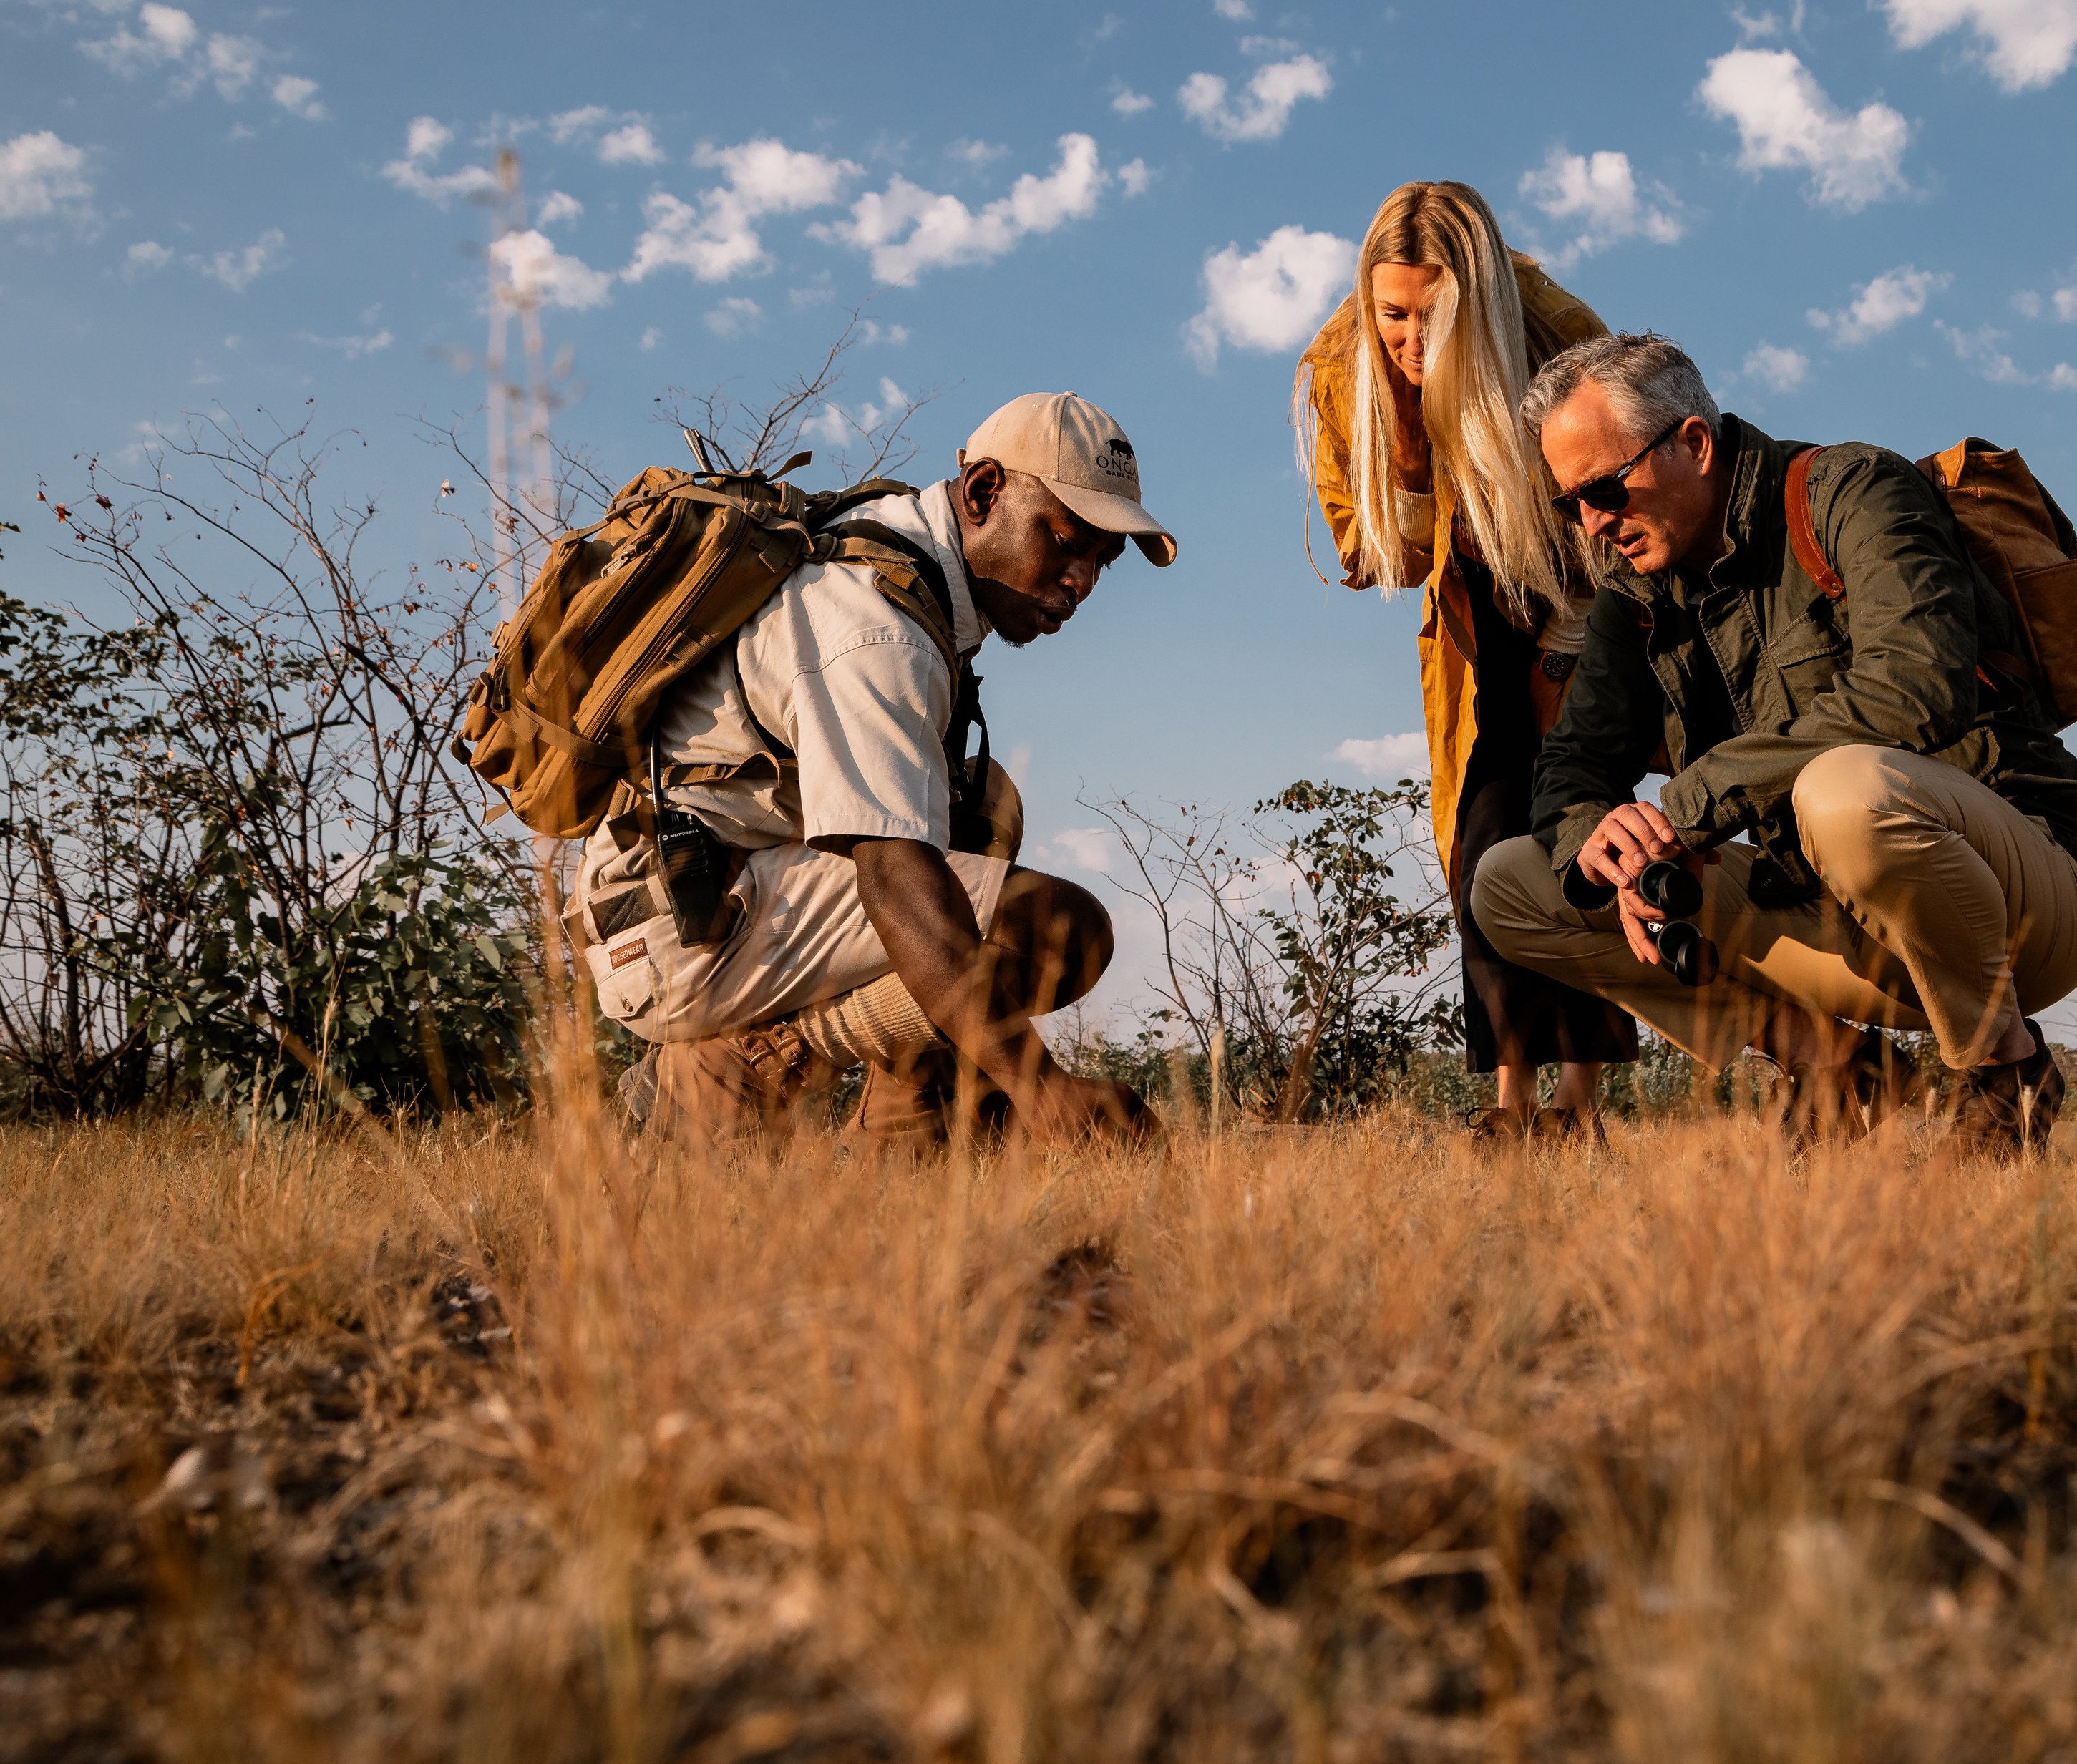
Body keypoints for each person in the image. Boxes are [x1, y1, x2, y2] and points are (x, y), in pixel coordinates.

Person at [1468, 333, 2077, 1153]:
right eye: (1572, 505)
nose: (1593, 525)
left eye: (1604, 489)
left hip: (2021, 910)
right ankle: (1835, 1063)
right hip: (1828, 918)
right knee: (1511, 882)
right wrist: (1603, 837)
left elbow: (1915, 687)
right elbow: (1572, 762)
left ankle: (2005, 1072)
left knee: (1844, 793)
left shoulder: (1853, 489)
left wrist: (1690, 807)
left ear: (1694, 443)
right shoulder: (1635, 592)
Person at [580, 391, 1173, 1150]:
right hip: (681, 930)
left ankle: (910, 1119)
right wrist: (1040, 1087)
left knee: (983, 805)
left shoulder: (899, 551)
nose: (1081, 580)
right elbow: (895, 884)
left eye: (1101, 561)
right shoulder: (876, 627)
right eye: (1064, 541)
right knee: (1060, 929)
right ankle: (733, 1068)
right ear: (984, 491)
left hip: (716, 885)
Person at [1294, 180, 1638, 1144]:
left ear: (1480, 299)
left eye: (1433, 315)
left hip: (1578, 600)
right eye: (1392, 314)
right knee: (1485, 839)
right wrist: (1406, 440)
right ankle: (1512, 1104)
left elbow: (1620, 502)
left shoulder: (1563, 336)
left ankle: (1579, 1107)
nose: (1409, 338)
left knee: (1579, 824)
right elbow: (1381, 559)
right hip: (1473, 612)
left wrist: (1578, 641)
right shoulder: (1341, 369)